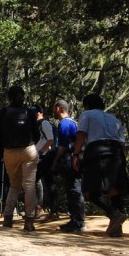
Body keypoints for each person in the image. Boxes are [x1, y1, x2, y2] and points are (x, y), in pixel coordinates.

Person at [72, 93, 129, 237]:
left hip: (96, 152)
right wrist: (124, 161)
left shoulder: (87, 115)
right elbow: (122, 143)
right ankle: (116, 228)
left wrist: (75, 154)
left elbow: (81, 134)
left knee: (89, 191)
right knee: (114, 189)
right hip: (116, 153)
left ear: (87, 105)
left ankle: (114, 214)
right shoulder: (114, 119)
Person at [0, 86, 40, 232]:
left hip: (9, 152)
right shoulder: (30, 112)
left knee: (14, 185)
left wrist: (2, 149)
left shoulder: (2, 113)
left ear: (9, 98)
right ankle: (29, 222)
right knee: (29, 186)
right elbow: (37, 134)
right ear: (23, 97)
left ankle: (7, 217)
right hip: (28, 150)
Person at [51, 99, 86, 232]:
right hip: (75, 158)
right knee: (73, 188)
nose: (53, 111)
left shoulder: (65, 123)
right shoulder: (72, 122)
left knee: (73, 189)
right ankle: (76, 220)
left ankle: (78, 222)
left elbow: (63, 145)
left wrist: (55, 161)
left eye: (54, 108)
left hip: (70, 159)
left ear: (59, 108)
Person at [29, 104, 56, 220]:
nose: (34, 114)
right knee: (39, 182)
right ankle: (42, 208)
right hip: (42, 157)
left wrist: (41, 151)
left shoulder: (44, 123)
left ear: (40, 112)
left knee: (44, 182)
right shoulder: (37, 125)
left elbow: (51, 140)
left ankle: (44, 209)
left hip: (46, 157)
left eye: (35, 112)